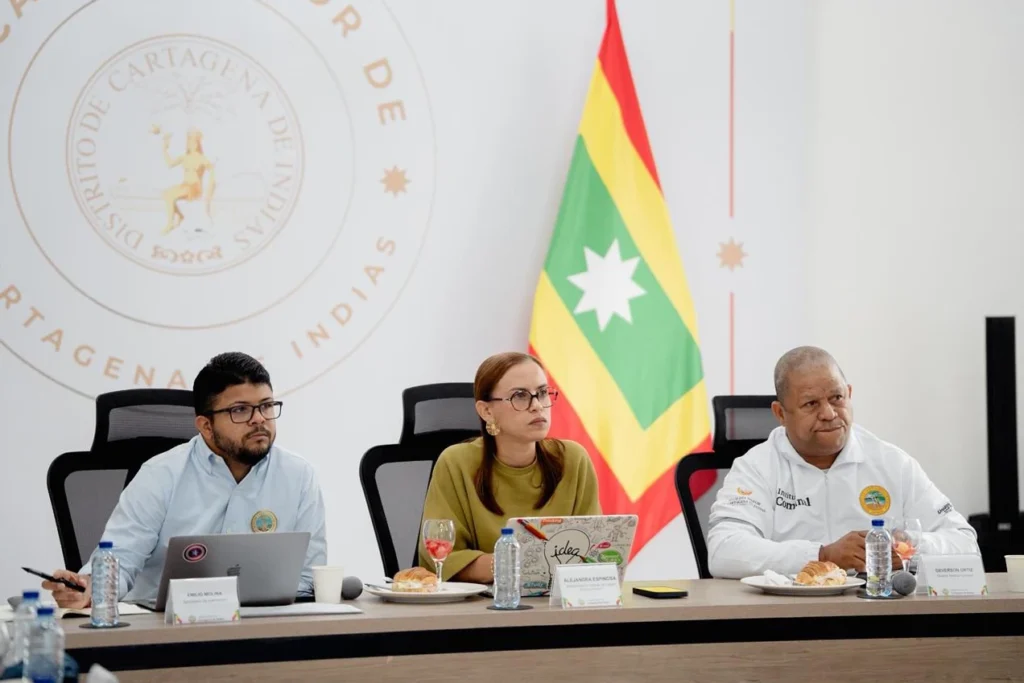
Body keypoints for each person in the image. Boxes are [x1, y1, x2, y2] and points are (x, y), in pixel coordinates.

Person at [43, 352, 327, 607]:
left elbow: (310, 577)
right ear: (205, 425)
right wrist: (89, 588)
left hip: (263, 630)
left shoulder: (298, 476)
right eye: (240, 410)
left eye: (266, 406)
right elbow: (121, 558)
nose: (259, 419)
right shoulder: (160, 475)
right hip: (164, 632)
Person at [707, 346, 978, 579]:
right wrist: (822, 555)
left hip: (880, 611)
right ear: (780, 413)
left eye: (837, 398)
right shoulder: (756, 468)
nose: (828, 413)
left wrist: (909, 547)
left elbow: (965, 543)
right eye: (811, 404)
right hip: (789, 614)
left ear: (849, 393)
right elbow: (723, 551)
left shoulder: (892, 463)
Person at [417, 352, 601, 583]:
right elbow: (440, 559)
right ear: (487, 411)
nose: (537, 406)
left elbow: (593, 551)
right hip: (483, 602)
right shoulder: (456, 463)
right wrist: (516, 564)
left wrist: (527, 565)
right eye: (520, 396)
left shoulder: (573, 459)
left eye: (542, 393)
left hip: (558, 601)